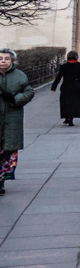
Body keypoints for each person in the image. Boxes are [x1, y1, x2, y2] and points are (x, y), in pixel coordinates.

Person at [0, 48, 34, 195]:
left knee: (6, 153)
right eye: (0, 58)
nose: (3, 61)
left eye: (6, 59)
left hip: (11, 120)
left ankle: (1, 182)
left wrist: (14, 98)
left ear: (12, 61)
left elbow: (29, 92)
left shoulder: (20, 76)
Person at [51, 51, 80, 127]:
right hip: (76, 87)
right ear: (76, 57)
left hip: (66, 87)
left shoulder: (64, 66)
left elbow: (58, 78)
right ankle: (71, 120)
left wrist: (54, 87)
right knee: (74, 103)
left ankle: (66, 118)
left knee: (66, 103)